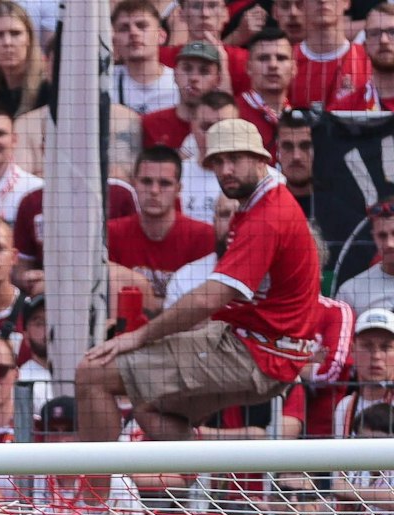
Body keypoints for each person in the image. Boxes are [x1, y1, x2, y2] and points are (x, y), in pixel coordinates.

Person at [77, 119, 319, 443]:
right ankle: (206, 473)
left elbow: (207, 299)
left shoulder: (268, 216)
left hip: (256, 354)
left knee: (92, 373)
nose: (226, 169)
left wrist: (137, 337)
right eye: (217, 161)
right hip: (262, 348)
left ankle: (95, 479)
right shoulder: (267, 199)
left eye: (235, 158)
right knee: (147, 404)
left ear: (261, 159)